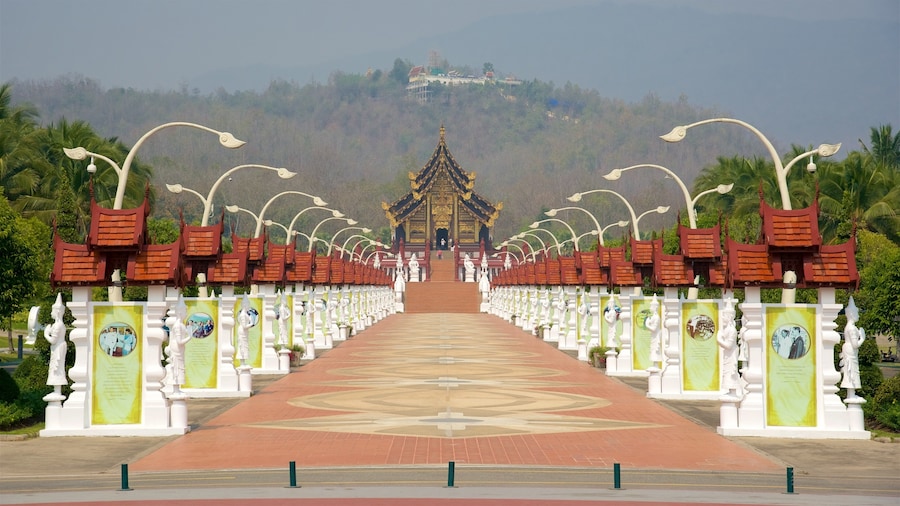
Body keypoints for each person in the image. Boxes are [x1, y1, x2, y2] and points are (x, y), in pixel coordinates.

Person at [164, 298, 191, 389]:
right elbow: (180, 342)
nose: (186, 314)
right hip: (177, 348)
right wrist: (189, 337)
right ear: (179, 313)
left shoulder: (181, 324)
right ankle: (175, 387)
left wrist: (191, 330)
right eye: (184, 311)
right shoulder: (177, 325)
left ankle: (177, 388)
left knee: (180, 367)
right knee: (177, 367)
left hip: (179, 349)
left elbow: (187, 332)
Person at [840, 297, 865, 391]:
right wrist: (862, 338)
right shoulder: (852, 328)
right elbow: (855, 345)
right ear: (852, 314)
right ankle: (851, 390)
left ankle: (852, 391)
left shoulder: (848, 327)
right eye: (856, 313)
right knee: (852, 371)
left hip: (848, 348)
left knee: (851, 370)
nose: (858, 315)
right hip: (850, 349)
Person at [717, 300, 740, 394]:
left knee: (731, 373)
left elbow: (729, 346)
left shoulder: (732, 330)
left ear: (730, 317)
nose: (723, 318)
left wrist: (719, 340)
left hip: (731, 354)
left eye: (725, 316)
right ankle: (730, 391)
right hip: (727, 355)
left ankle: (733, 391)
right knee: (726, 372)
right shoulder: (726, 329)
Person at [45, 293, 68, 387]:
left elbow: (53, 340)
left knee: (56, 367)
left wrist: (46, 334)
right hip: (57, 347)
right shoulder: (58, 325)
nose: (51, 313)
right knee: (55, 367)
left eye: (52, 311)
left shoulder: (58, 325)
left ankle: (57, 384)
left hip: (58, 347)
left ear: (57, 312)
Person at [236, 295, 252, 367]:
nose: (249, 306)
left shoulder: (245, 314)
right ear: (244, 305)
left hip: (243, 331)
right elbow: (244, 326)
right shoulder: (243, 315)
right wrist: (251, 323)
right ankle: (242, 361)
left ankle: (243, 361)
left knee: (244, 345)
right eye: (248, 304)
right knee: (242, 345)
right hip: (242, 331)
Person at [646, 296, 662, 365]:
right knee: (652, 349)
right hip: (653, 337)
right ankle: (654, 364)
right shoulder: (653, 316)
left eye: (651, 306)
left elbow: (654, 329)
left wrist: (647, 325)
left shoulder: (656, 317)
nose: (650, 308)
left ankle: (655, 364)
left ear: (655, 307)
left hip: (656, 336)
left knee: (655, 350)